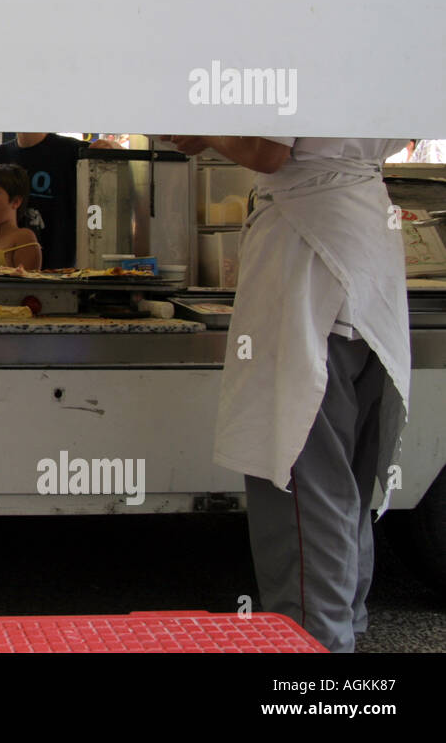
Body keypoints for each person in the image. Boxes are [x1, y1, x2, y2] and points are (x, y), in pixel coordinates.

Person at [170, 135, 410, 653]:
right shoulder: (394, 54)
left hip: (310, 262)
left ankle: (314, 654)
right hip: (365, 255)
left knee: (304, 481)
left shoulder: (304, 53)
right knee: (345, 484)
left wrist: (206, 128)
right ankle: (341, 635)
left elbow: (268, 151)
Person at [0, 133, 116, 269]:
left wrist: (111, 147)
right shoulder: (0, 154)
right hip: (6, 264)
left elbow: (113, 160)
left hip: (60, 262)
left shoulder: (71, 150)